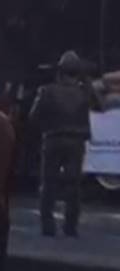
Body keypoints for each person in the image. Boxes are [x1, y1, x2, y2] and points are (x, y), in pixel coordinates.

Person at [30, 50, 101, 237]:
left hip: (53, 139)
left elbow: (33, 117)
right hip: (76, 142)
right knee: (74, 186)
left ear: (59, 71)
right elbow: (99, 106)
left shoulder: (46, 90)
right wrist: (86, 80)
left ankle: (48, 226)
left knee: (48, 183)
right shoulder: (84, 92)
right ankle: (70, 226)